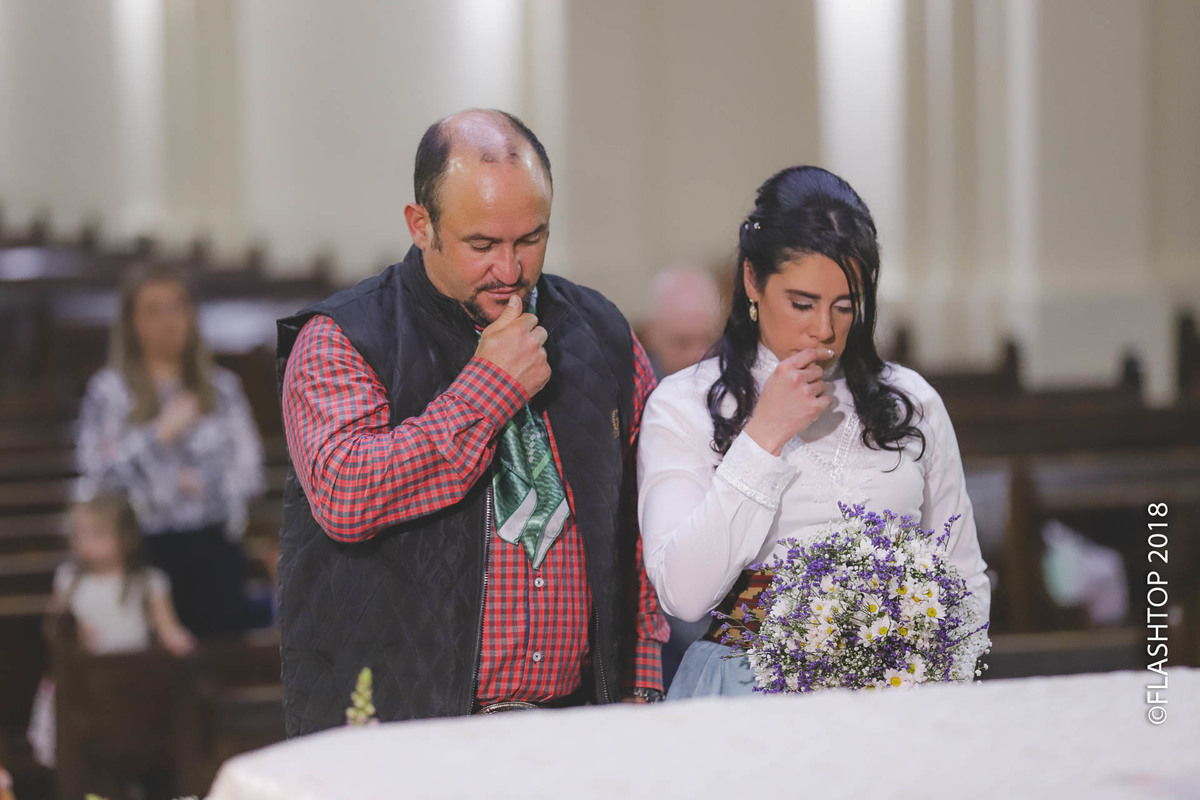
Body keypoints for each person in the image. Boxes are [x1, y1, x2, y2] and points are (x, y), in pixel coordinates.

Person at [277, 108, 668, 736]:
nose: (510, 271)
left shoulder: (602, 334)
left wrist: (643, 686)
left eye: (530, 239)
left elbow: (644, 522)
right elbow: (346, 494)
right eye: (482, 245)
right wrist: (489, 391)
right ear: (421, 224)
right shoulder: (343, 337)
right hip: (404, 733)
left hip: (578, 725)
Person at [637, 166, 991, 698]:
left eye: (845, 306)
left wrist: (944, 694)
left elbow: (963, 577)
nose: (823, 330)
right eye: (802, 304)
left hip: (898, 699)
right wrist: (763, 437)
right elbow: (683, 594)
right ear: (752, 281)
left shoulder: (912, 403)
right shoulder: (684, 404)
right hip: (745, 693)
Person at [76, 264, 265, 638]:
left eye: (178, 307)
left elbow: (248, 474)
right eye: (153, 310)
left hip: (213, 550)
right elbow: (97, 477)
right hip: (140, 555)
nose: (168, 321)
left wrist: (193, 483)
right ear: (131, 323)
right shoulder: (109, 393)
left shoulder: (223, 390)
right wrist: (158, 437)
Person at [27, 493, 195, 767]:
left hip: (133, 682)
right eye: (80, 534)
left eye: (97, 534)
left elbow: (169, 629)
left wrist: (178, 641)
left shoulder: (148, 582)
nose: (86, 543)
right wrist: (74, 633)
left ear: (126, 537)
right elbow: (53, 627)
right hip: (83, 686)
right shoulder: (68, 580)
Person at [642, 268, 724, 379]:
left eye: (709, 340)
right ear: (652, 336)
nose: (698, 355)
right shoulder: (634, 392)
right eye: (682, 342)